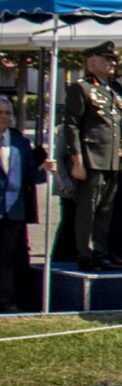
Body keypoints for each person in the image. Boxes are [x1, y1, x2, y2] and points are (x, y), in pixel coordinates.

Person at [62, 41, 122, 272]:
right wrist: (77, 160)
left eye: (113, 60)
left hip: (110, 159)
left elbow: (114, 127)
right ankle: (85, 253)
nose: (112, 63)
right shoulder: (81, 88)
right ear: (91, 62)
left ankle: (101, 252)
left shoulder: (111, 90)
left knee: (105, 210)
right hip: (91, 158)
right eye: (106, 59)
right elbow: (71, 126)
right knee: (87, 210)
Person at [0, 96, 49, 311]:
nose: (4, 117)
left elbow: (31, 176)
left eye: (7, 113)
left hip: (14, 210)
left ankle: (6, 299)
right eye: (0, 113)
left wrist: (44, 167)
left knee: (8, 257)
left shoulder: (20, 141)